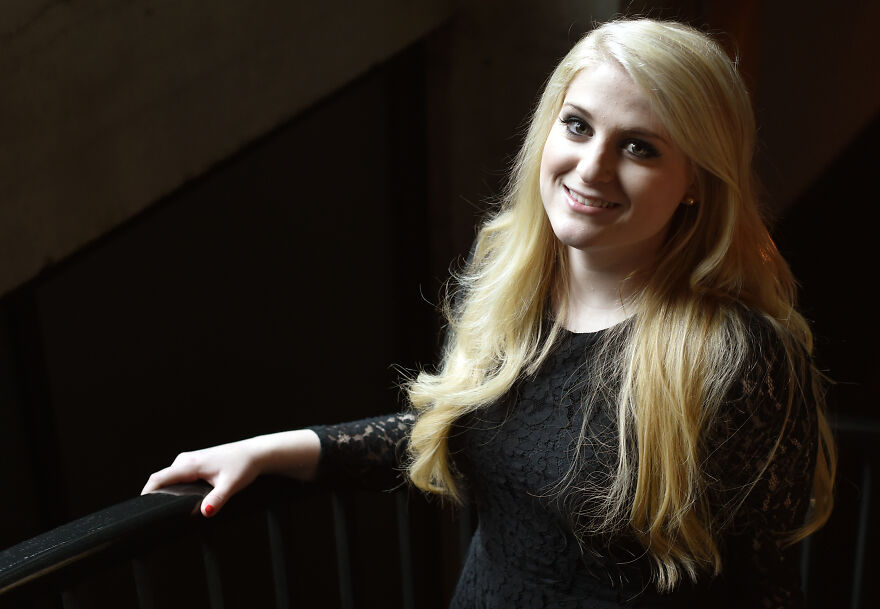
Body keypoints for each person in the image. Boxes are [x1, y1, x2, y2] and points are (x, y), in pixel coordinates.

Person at [143, 18, 835, 608]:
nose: (591, 168)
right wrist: (272, 451)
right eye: (578, 125)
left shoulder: (738, 358)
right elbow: (469, 422)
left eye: (639, 147)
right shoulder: (516, 281)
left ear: (695, 184)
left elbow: (765, 588)